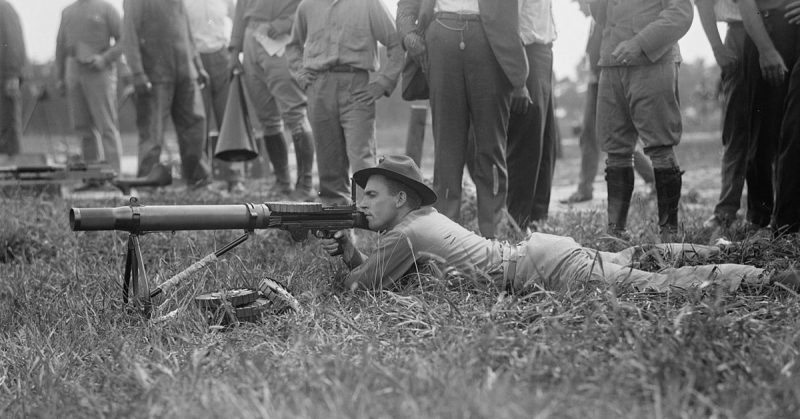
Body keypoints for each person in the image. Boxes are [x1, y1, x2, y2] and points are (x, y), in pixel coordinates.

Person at [320, 154, 799, 293]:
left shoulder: (406, 234)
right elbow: (373, 270)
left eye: (372, 194)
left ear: (400, 198)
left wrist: (347, 248)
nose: (363, 202)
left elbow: (360, 286)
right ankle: (719, 252)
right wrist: (352, 246)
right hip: (541, 254)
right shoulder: (420, 217)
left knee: (656, 285)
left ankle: (767, 278)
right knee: (634, 259)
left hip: (546, 270)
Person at [397, 0, 532, 238]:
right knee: (447, 148)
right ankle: (444, 238)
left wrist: (519, 73)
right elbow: (407, 4)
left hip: (489, 38)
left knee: (491, 146)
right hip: (440, 35)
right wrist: (408, 33)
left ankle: (496, 239)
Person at [592, 0, 693, 240]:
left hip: (652, 62)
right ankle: (616, 232)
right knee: (615, 149)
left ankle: (669, 234)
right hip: (612, 61)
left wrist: (640, 43)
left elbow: (681, 13)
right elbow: (600, 14)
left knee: (660, 146)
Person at [286, 0, 403, 205]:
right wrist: (300, 73)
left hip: (356, 87)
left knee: (362, 159)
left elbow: (395, 42)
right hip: (319, 87)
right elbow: (293, 46)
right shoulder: (307, 6)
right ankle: (339, 231)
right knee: (328, 163)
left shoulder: (368, 4)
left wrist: (384, 82)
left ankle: (369, 223)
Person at [561, 14, 656, 205]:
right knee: (601, 136)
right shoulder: (596, 19)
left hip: (604, 78)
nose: (579, 6)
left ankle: (653, 179)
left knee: (610, 137)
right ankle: (653, 179)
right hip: (596, 79)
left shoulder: (607, 13)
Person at [121, 0, 213, 189]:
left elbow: (187, 34)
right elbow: (129, 36)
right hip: (154, 74)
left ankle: (199, 179)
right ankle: (147, 183)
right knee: (152, 132)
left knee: (195, 126)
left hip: (185, 71)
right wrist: (137, 73)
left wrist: (198, 65)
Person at [229, 0, 316, 200]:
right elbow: (241, 6)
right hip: (252, 36)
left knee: (295, 113)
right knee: (267, 119)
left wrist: (284, 24)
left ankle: (305, 184)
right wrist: (234, 50)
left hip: (282, 41)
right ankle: (282, 181)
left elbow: (311, 6)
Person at [736, 0, 800, 234]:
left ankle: (788, 220)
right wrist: (765, 49)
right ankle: (759, 216)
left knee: (794, 129)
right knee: (763, 131)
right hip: (768, 29)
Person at [695, 0, 749, 231]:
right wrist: (716, 46)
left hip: (785, 32)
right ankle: (726, 210)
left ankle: (772, 212)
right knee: (736, 129)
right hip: (741, 33)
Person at [504, 0, 558, 231]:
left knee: (546, 143)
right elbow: (509, 22)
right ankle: (517, 221)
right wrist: (519, 78)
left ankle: (537, 218)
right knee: (527, 142)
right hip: (526, 53)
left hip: (544, 52)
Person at [55, 0, 125, 176]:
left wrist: (105, 59)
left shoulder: (106, 9)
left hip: (99, 71)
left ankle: (114, 175)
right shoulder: (67, 12)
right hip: (73, 70)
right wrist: (60, 77)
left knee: (106, 125)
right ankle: (93, 177)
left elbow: (124, 40)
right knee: (82, 127)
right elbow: (60, 47)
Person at [184, 0, 246, 194]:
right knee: (197, 122)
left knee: (229, 121)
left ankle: (235, 178)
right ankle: (201, 180)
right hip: (195, 58)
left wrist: (235, 54)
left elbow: (238, 21)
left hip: (222, 56)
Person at [0, 0, 25, 158]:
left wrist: (12, 74)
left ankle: (14, 175)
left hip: (4, 80)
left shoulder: (3, 8)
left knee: (8, 128)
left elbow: (13, 41)